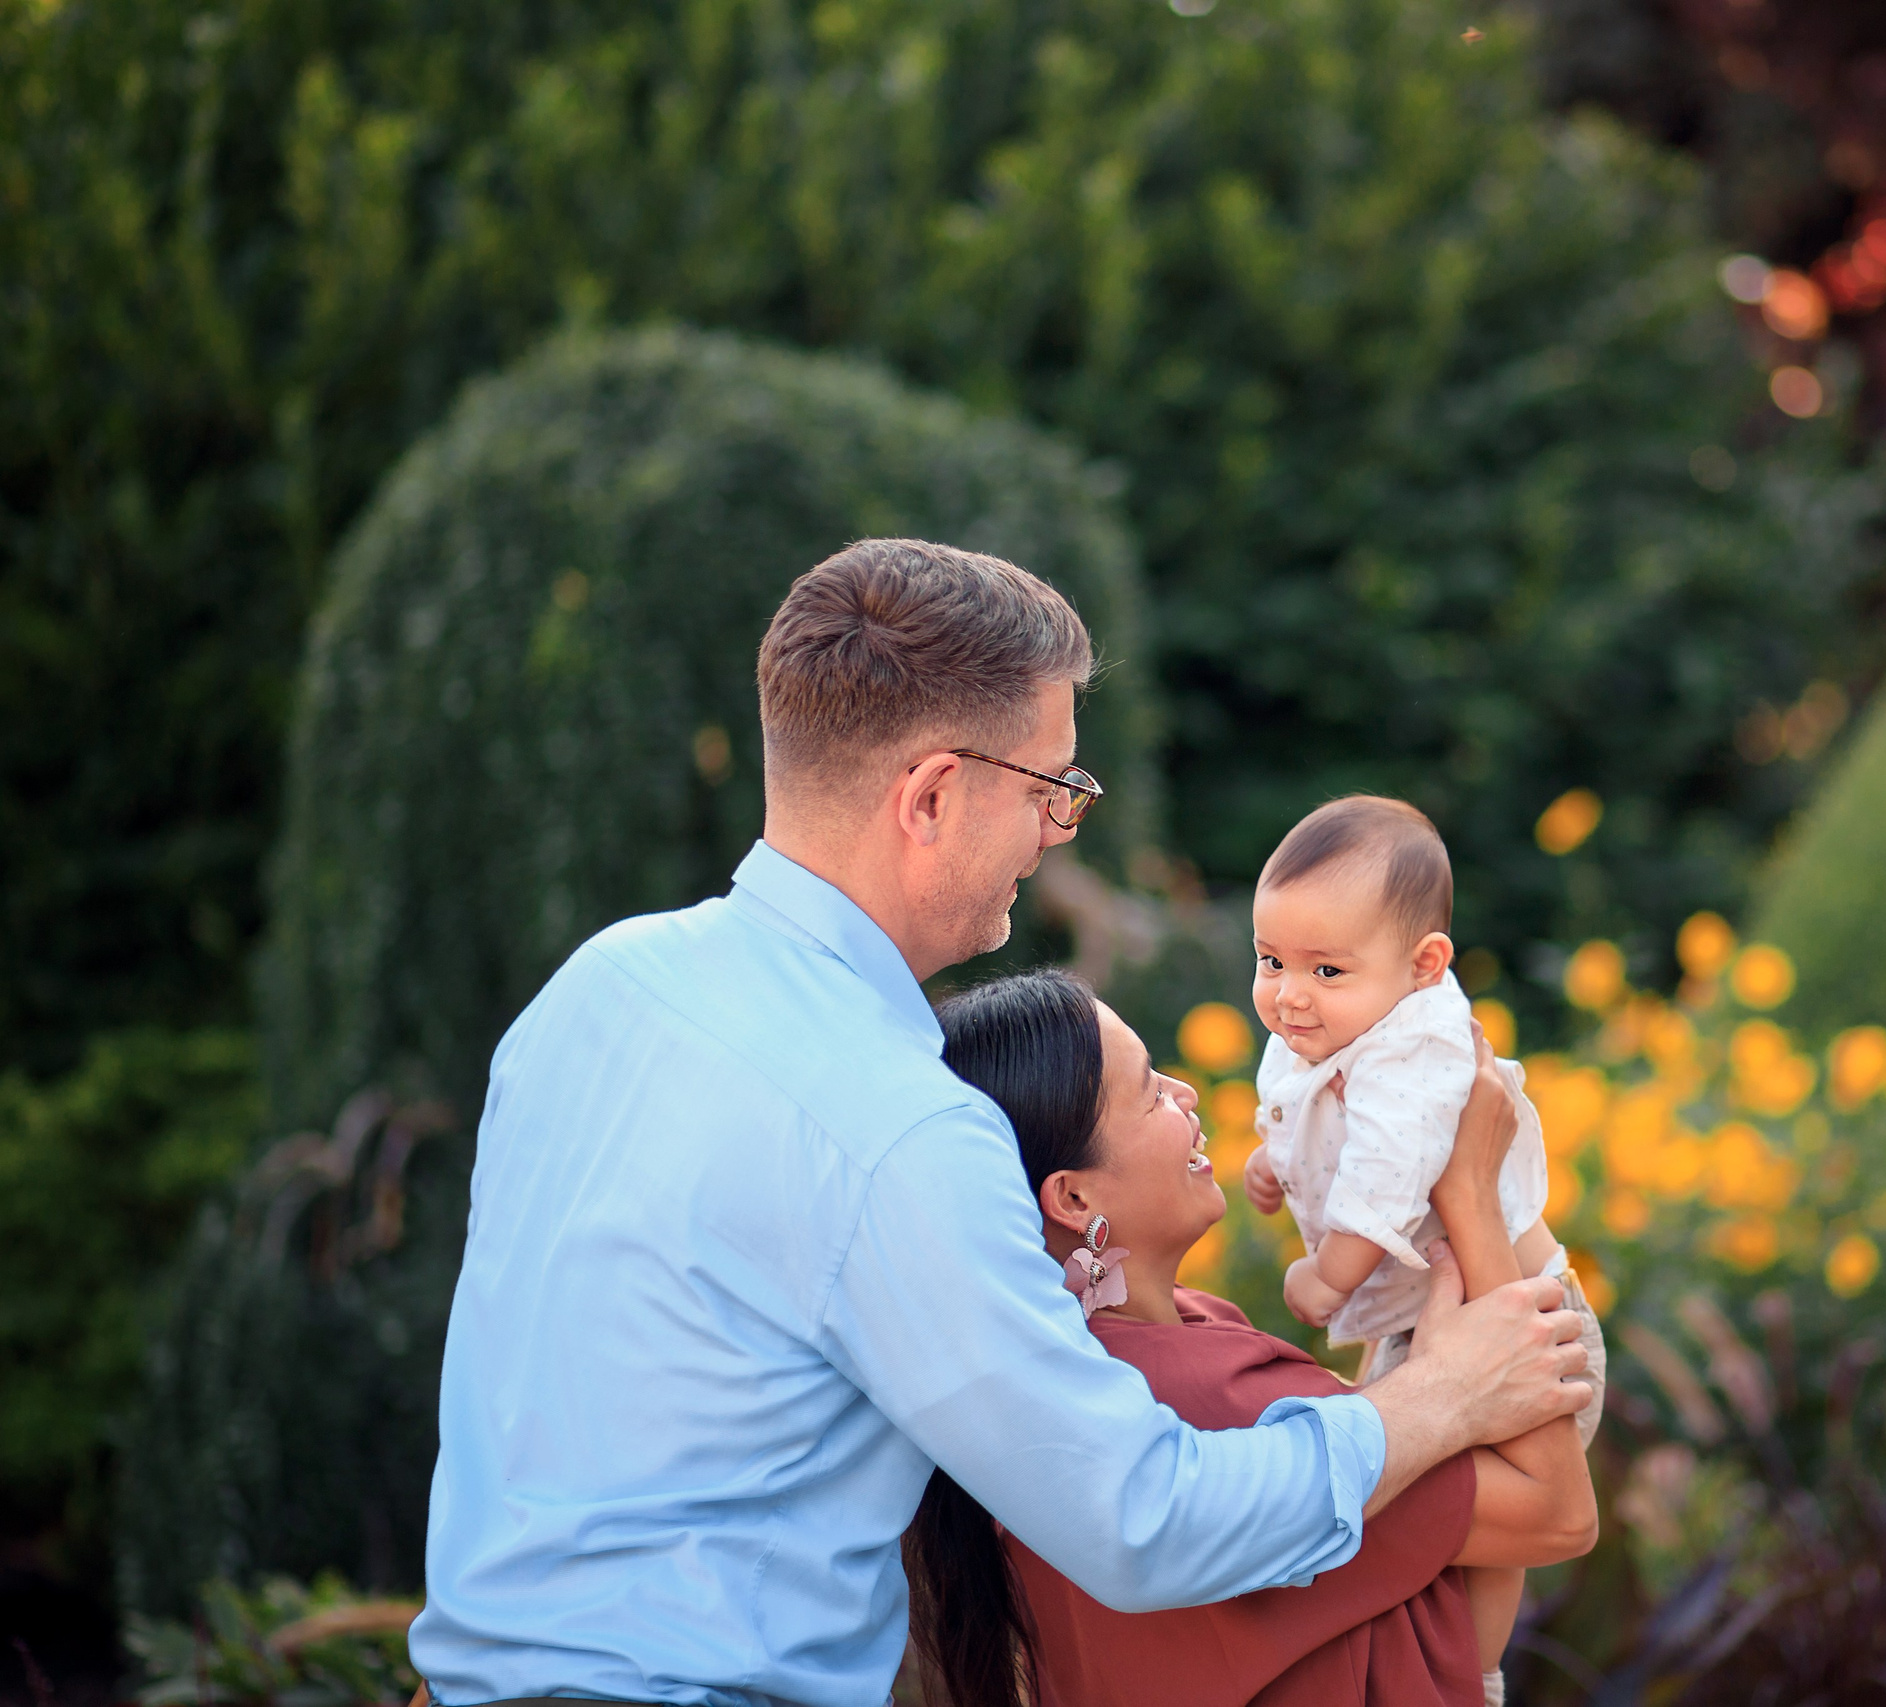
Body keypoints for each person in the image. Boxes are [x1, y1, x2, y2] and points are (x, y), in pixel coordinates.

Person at [408, 539, 1590, 1707]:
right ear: (930, 795)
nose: (1059, 832)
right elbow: (1142, 1518)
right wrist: (1442, 1398)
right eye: (1051, 790)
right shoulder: (891, 1122)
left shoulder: (597, 988)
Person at [915, 970, 1597, 1707]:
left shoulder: (1135, 1346)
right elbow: (1556, 1510)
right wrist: (1468, 1191)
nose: (1188, 1093)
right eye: (1150, 1092)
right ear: (1075, 1197)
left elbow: (1395, 1437)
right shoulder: (1186, 1390)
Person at [1237, 797, 1609, 1687]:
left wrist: (1325, 1278)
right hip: (1423, 1330)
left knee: (1494, 1528)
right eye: (1270, 959)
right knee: (1441, 1523)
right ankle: (1450, 1673)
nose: (1289, 991)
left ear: (1424, 964)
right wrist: (1271, 1160)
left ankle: (1472, 1676)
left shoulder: (1419, 1050)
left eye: (1325, 968)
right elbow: (1312, 1120)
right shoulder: (1333, 1020)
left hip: (1527, 1318)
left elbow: (1384, 1180)